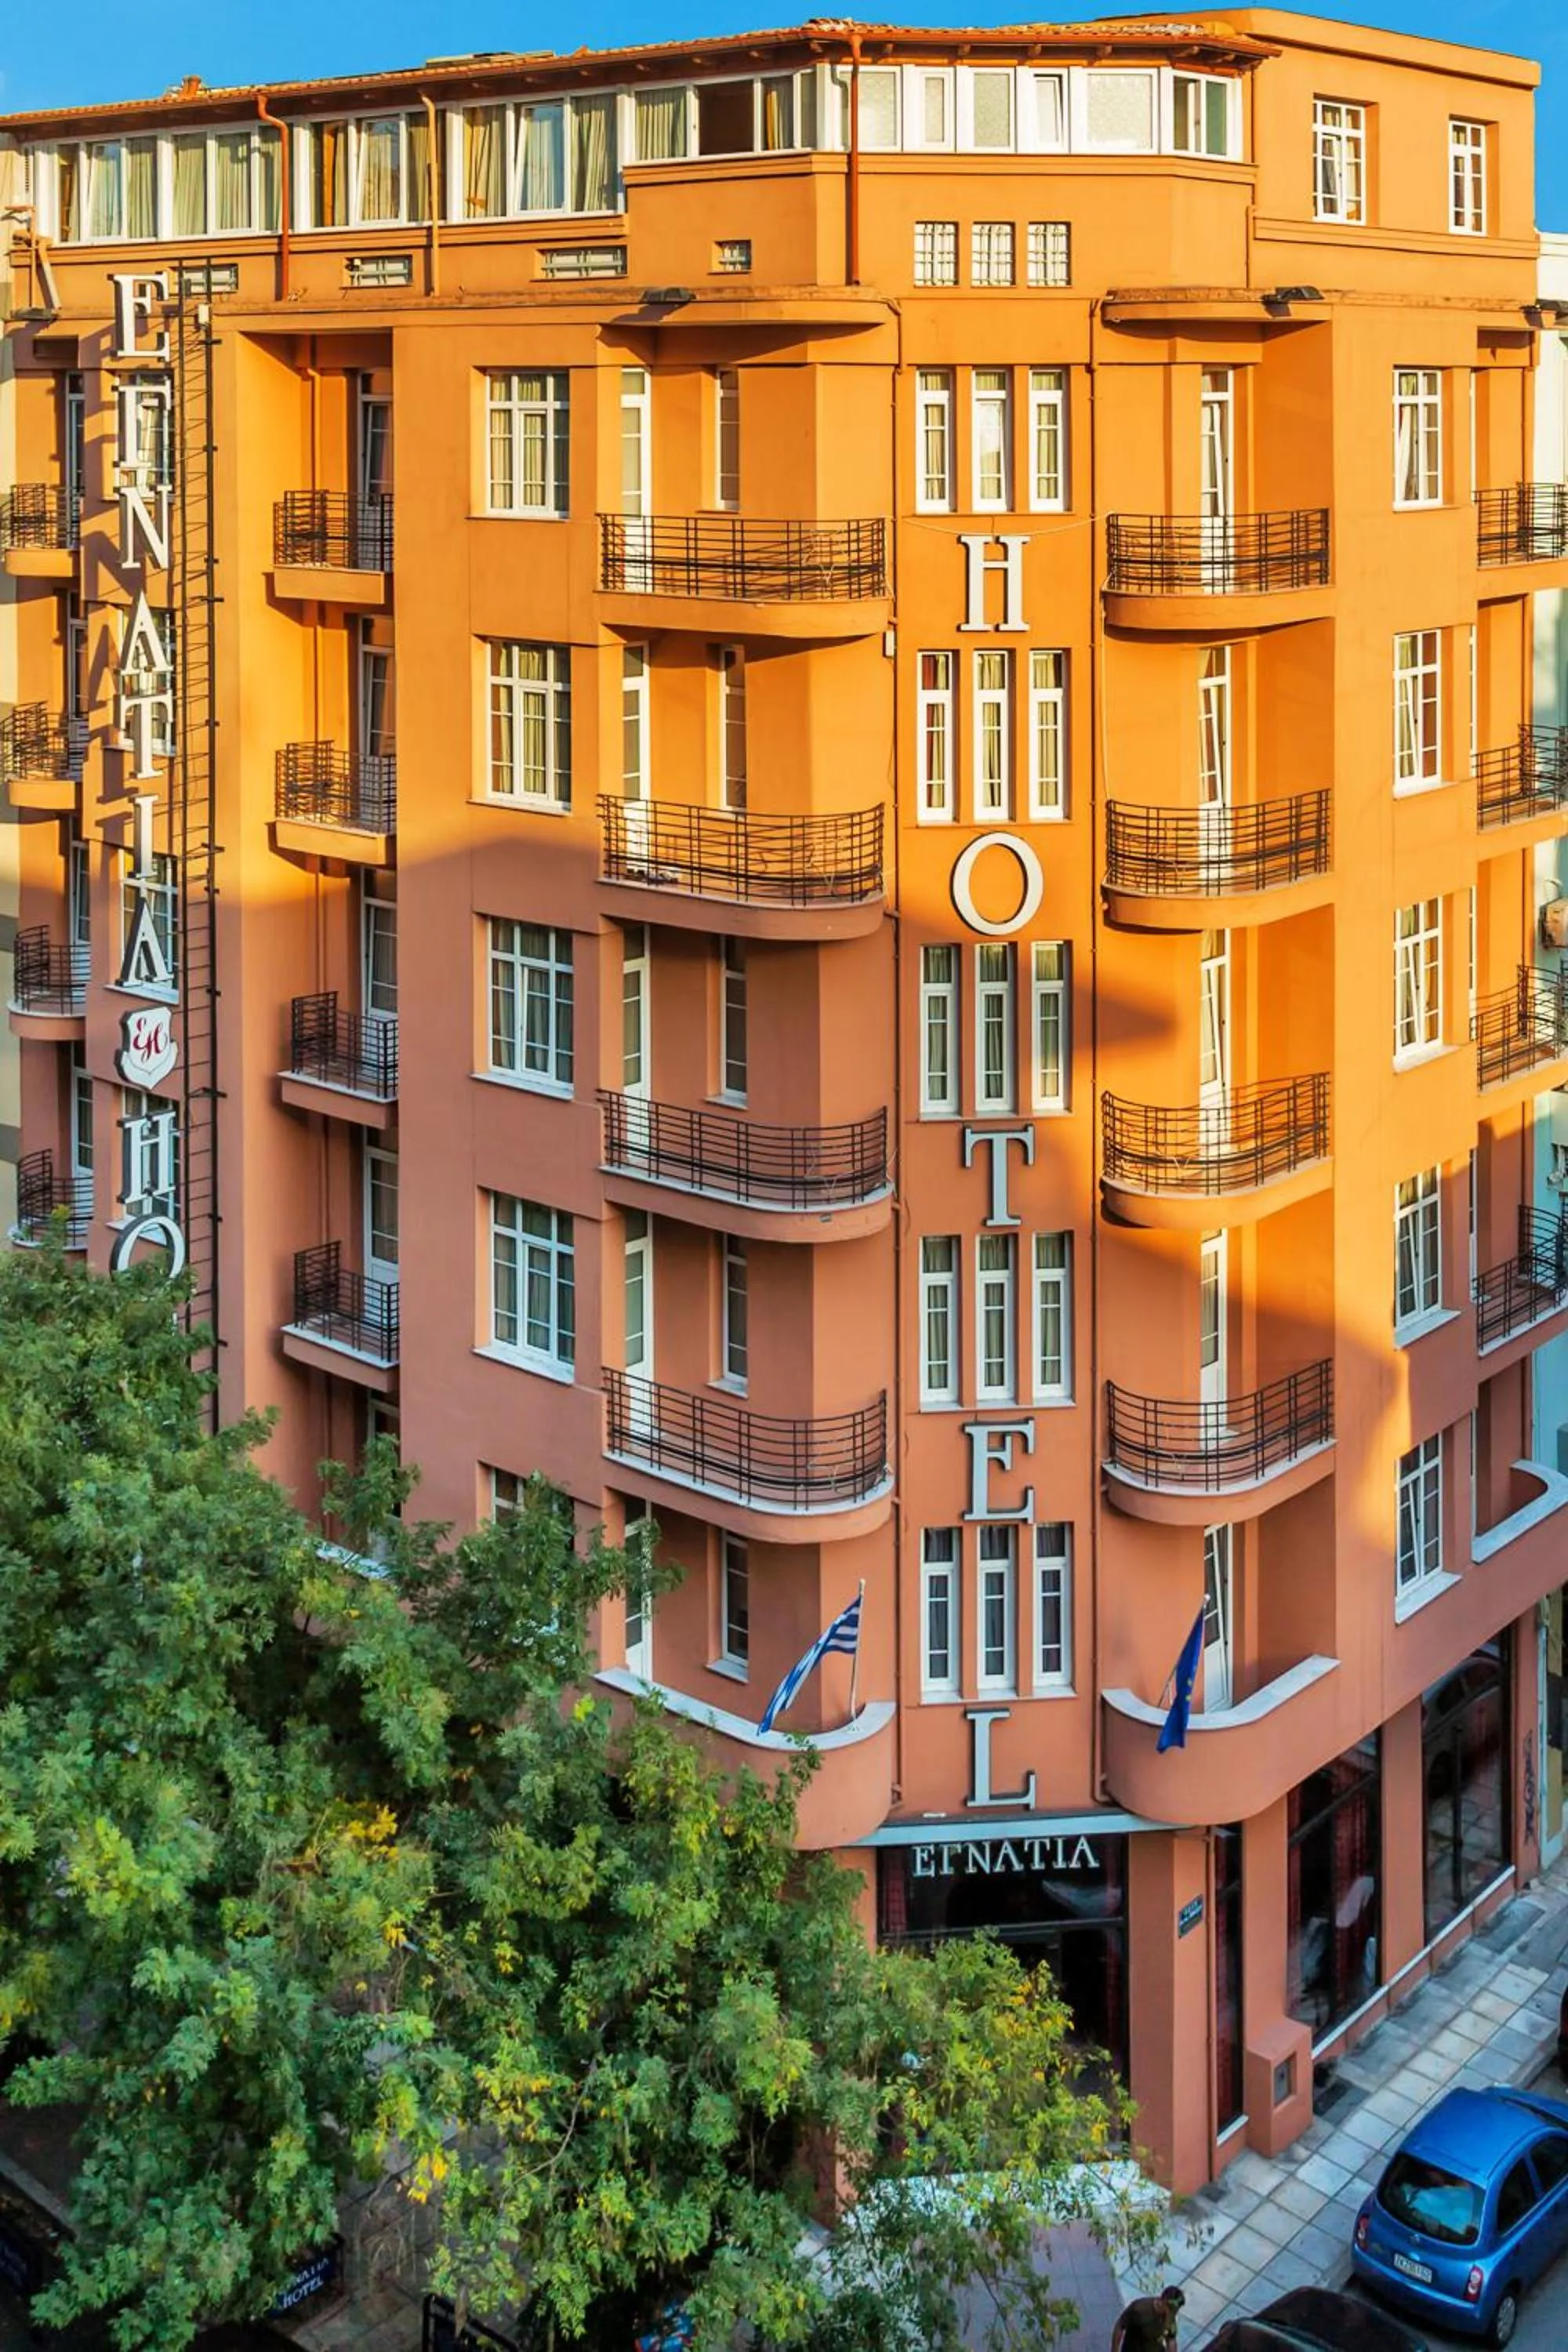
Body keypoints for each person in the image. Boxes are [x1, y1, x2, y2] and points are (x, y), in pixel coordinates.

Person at [1110, 2283, 1185, 2351]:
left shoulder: (1170, 2315)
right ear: (1163, 2302)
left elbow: (1171, 2339)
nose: (1172, 2313)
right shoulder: (1139, 2309)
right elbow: (1120, 2326)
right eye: (1170, 2309)